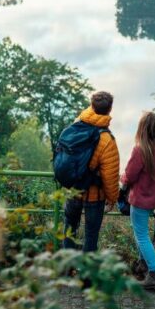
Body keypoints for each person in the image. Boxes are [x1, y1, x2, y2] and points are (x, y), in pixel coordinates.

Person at [62, 91, 120, 252]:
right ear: (110, 110)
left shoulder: (75, 127)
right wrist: (112, 198)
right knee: (91, 235)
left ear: (91, 106)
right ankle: (87, 275)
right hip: (94, 196)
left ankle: (65, 271)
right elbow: (110, 176)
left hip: (72, 190)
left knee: (69, 230)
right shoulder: (107, 140)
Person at [120, 111, 155, 291]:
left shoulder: (140, 149)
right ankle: (143, 264)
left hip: (141, 198)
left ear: (142, 128)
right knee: (142, 233)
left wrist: (122, 179)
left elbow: (130, 176)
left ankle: (154, 274)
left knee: (142, 236)